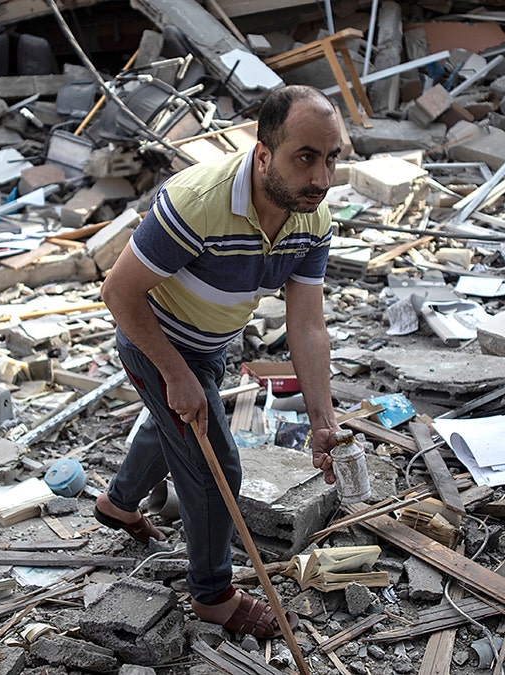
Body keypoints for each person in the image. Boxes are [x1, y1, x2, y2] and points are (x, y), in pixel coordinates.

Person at [96, 85, 344, 638]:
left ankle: (117, 504)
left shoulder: (311, 218)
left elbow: (306, 324)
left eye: (332, 159)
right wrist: (175, 373)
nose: (322, 180)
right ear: (263, 154)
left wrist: (323, 421)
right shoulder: (198, 201)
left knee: (177, 426)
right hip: (152, 338)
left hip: (210, 345)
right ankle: (212, 596)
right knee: (215, 469)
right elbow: (119, 294)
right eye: (305, 157)